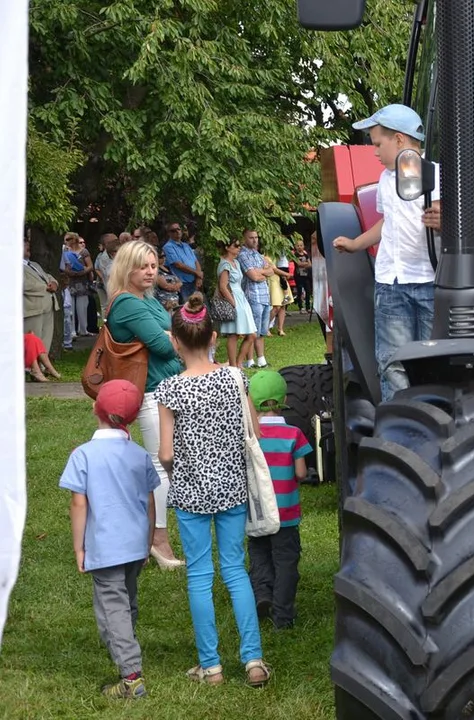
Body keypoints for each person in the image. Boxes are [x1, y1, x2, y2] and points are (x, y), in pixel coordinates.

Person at [155, 293, 271, 688]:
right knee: (236, 571)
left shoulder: (169, 390)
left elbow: (165, 453)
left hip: (190, 494)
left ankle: (212, 666)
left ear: (173, 341)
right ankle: (254, 660)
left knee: (200, 576)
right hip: (233, 489)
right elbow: (253, 431)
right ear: (215, 338)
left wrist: (180, 470)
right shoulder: (236, 377)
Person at [333, 103, 441, 401]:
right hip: (391, 284)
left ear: (400, 140)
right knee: (393, 362)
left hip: (430, 281)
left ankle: (431, 417)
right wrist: (357, 244)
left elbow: (453, 220)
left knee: (431, 360)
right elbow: (387, 222)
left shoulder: (436, 175)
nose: (375, 152)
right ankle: (398, 424)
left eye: (378, 144)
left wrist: (444, 221)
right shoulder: (385, 180)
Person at [59, 379, 159, 699]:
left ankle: (131, 676)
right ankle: (122, 644)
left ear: (94, 408)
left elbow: (78, 503)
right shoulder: (140, 454)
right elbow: (150, 502)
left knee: (112, 607)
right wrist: (148, 542)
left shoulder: (83, 455)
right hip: (134, 545)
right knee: (126, 601)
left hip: (105, 547)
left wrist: (78, 547)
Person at [104, 240, 185, 569]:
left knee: (165, 462)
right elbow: (165, 346)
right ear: (127, 267)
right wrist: (173, 338)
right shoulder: (127, 304)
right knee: (161, 463)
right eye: (143, 266)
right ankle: (158, 540)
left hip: (166, 387)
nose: (151, 271)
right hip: (152, 391)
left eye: (153, 265)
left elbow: (175, 332)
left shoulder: (146, 300)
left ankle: (149, 533)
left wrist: (171, 336)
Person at [247, 370, 312, 630]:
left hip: (258, 512)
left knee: (260, 556)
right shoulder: (294, 434)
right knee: (286, 562)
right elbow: (300, 473)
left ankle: (262, 594)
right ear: (284, 398)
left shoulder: (250, 437)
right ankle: (283, 615)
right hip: (285, 515)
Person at [216, 237, 257, 367]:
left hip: (241, 297)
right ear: (228, 247)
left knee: (252, 334)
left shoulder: (236, 263)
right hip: (233, 297)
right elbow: (223, 286)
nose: (239, 248)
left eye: (239, 245)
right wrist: (234, 303)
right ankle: (234, 365)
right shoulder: (224, 264)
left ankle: (238, 362)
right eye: (236, 245)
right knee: (233, 334)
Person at [237, 229, 274, 369]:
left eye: (256, 237)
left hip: (264, 295)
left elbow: (270, 269)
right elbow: (253, 276)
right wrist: (262, 272)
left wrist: (261, 272)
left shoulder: (258, 254)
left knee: (262, 331)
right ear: (244, 239)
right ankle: (250, 360)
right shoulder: (242, 255)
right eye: (251, 237)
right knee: (252, 331)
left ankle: (261, 359)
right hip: (252, 296)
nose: (255, 240)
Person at [23, 236, 61, 353]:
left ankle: (42, 366)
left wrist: (54, 283)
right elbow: (22, 284)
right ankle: (30, 366)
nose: (28, 247)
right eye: (25, 245)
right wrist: (45, 287)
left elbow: (48, 276)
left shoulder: (34, 264)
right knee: (34, 338)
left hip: (48, 305)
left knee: (46, 338)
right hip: (33, 307)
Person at [162, 221, 202, 302]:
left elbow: (196, 261)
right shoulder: (168, 247)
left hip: (194, 282)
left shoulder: (186, 245)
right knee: (186, 309)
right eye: (173, 230)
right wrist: (197, 273)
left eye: (178, 229)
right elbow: (178, 265)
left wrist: (199, 277)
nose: (177, 232)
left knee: (199, 309)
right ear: (168, 233)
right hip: (183, 284)